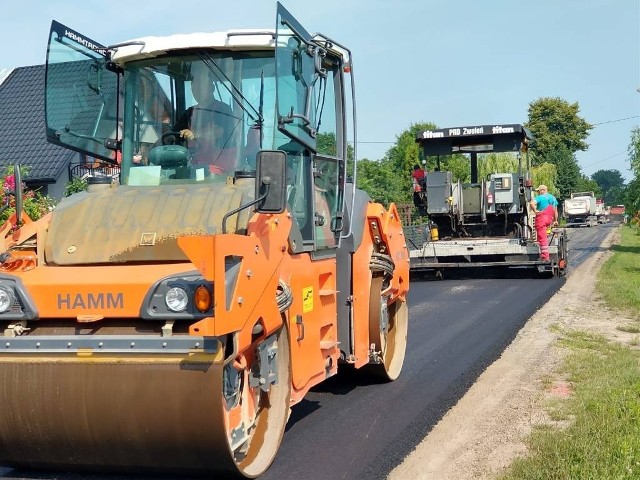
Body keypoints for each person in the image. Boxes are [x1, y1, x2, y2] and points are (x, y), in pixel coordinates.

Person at [174, 65, 237, 176]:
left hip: (220, 170)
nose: (196, 91)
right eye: (193, 88)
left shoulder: (223, 109)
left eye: (200, 87)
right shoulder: (189, 113)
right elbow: (174, 134)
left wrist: (195, 134)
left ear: (211, 88)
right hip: (195, 166)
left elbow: (219, 132)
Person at [530, 184, 559, 261]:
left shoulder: (540, 197)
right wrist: (555, 220)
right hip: (549, 219)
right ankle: (543, 252)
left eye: (539, 191)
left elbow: (532, 203)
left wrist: (535, 211)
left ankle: (545, 257)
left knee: (542, 237)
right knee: (545, 235)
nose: (538, 193)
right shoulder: (553, 198)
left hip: (542, 219)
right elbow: (555, 211)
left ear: (542, 190)